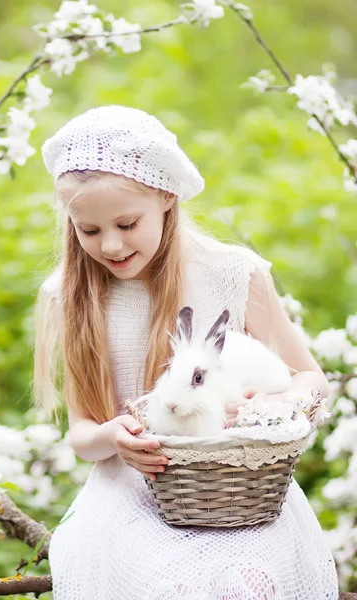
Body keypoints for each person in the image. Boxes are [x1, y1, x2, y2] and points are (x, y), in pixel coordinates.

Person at [34, 105, 339, 599]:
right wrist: (114, 436)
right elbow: (84, 434)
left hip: (238, 491)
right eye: (88, 231)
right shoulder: (72, 296)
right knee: (166, 584)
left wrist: (272, 408)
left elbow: (310, 378)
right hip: (130, 497)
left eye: (127, 223)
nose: (110, 245)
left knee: (247, 582)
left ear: (166, 197)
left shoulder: (233, 274)